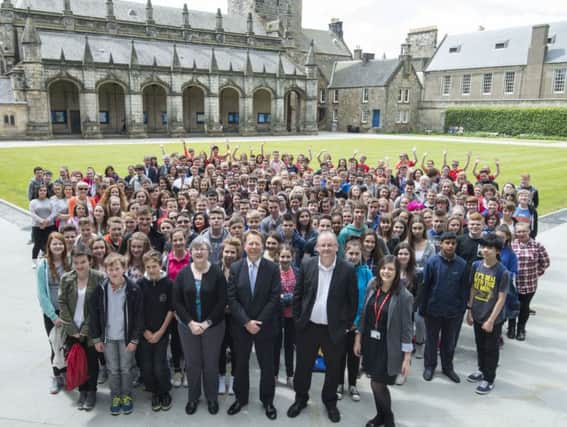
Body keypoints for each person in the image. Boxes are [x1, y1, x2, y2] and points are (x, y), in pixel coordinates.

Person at [287, 231, 358, 423]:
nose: (326, 248)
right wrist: (298, 320)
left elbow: (353, 302)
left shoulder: (347, 270)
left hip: (333, 330)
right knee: (303, 367)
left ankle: (330, 402)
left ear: (337, 247)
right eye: (322, 245)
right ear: (317, 248)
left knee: (334, 368)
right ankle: (300, 399)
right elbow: (298, 295)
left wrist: (345, 325)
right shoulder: (307, 264)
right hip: (308, 327)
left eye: (330, 245)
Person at [226, 230, 281, 420]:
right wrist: (246, 321)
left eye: (257, 243)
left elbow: (274, 298)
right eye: (250, 243)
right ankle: (240, 399)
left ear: (263, 245)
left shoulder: (272, 268)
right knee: (240, 365)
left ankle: (267, 401)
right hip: (241, 326)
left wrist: (258, 322)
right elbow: (231, 298)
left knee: (267, 366)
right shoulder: (235, 267)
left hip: (265, 326)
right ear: (244, 245)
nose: (254, 246)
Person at [354, 256, 413, 427]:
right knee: (374, 382)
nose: (386, 272)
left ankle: (388, 419)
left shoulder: (404, 296)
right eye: (383, 268)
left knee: (378, 383)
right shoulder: (373, 286)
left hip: (389, 347)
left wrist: (407, 358)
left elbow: (407, 328)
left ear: (397, 273)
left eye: (391, 269)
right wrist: (358, 338)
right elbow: (364, 314)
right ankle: (381, 416)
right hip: (371, 343)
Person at [174, 236, 227, 416]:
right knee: (192, 363)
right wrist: (190, 322)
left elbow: (222, 302)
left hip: (213, 327)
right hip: (187, 327)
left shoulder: (217, 273)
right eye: (195, 248)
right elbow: (177, 301)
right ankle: (193, 398)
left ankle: (211, 398)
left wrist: (206, 323)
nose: (198, 251)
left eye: (202, 248)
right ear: (191, 252)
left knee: (211, 364)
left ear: (209, 252)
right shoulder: (183, 274)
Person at [89, 253, 144, 416]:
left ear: (124, 269)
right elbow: (93, 315)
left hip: (126, 338)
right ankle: (115, 397)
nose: (114, 272)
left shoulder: (133, 289)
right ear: (106, 270)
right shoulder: (100, 290)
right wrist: (96, 338)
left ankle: (126, 396)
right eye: (110, 269)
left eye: (117, 269)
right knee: (113, 369)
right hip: (108, 338)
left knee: (126, 368)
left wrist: (135, 339)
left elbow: (139, 316)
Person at [58, 245, 105, 410]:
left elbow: (100, 306)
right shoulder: (66, 278)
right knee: (77, 361)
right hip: (72, 328)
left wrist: (84, 330)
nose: (79, 266)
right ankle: (82, 390)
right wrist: (71, 327)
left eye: (83, 262)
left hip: (90, 329)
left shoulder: (99, 277)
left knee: (91, 362)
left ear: (89, 261)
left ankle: (91, 391)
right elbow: (62, 302)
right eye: (76, 262)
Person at [420, 231, 468, 383]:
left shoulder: (462, 264)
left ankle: (448, 368)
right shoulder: (432, 262)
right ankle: (429, 366)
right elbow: (425, 286)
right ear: (441, 244)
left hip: (453, 312)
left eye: (453, 243)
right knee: (431, 340)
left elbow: (464, 288)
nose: (450, 246)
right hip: (433, 309)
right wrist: (423, 307)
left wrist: (462, 309)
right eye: (447, 243)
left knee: (449, 342)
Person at [465, 234, 509, 395]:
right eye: (483, 247)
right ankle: (481, 370)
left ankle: (489, 379)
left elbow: (501, 298)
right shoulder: (476, 265)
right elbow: (473, 288)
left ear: (497, 251)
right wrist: (469, 310)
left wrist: (491, 320)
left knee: (491, 349)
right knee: (480, 345)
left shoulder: (502, 272)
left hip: (493, 319)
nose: (485, 250)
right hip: (477, 313)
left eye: (489, 248)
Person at [139, 250, 174, 412]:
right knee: (147, 365)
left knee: (160, 365)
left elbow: (170, 310)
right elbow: (137, 311)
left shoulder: (168, 284)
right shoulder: (140, 284)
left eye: (154, 266)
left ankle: (164, 391)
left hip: (162, 331)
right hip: (145, 332)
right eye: (148, 267)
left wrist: (161, 332)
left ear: (160, 265)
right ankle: (154, 391)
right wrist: (145, 331)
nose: (152, 270)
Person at [338, 239, 373, 402]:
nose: (353, 257)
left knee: (354, 355)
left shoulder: (367, 273)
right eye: (350, 253)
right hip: (341, 322)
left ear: (361, 255)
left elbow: (367, 300)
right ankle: (338, 383)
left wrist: (357, 321)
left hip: (358, 322)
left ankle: (352, 384)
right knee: (339, 355)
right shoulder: (338, 271)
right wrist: (344, 321)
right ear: (345, 254)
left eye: (356, 254)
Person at [36, 232, 70, 394]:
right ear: (49, 246)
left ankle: (67, 374)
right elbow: (42, 294)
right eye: (54, 244)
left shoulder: (69, 262)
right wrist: (53, 316)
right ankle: (57, 378)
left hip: (68, 312)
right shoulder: (43, 265)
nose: (58, 246)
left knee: (68, 344)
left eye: (60, 243)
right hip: (52, 313)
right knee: (54, 344)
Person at [510, 223, 550, 341]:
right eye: (518, 232)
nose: (521, 234)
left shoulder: (537, 246)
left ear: (529, 232)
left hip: (529, 283)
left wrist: (536, 272)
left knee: (524, 307)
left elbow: (546, 262)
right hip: (513, 283)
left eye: (524, 231)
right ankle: (511, 327)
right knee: (512, 305)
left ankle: (521, 329)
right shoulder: (511, 245)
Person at [273, 244, 298, 387]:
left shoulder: (298, 272)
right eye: (282, 256)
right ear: (277, 257)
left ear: (292, 257)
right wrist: (286, 298)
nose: (285, 259)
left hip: (292, 316)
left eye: (288, 256)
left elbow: (300, 292)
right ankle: (274, 374)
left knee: (289, 346)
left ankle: (290, 375)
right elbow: (272, 293)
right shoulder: (272, 272)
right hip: (277, 315)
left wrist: (287, 298)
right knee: (276, 346)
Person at [30, 184, 57, 268]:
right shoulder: (33, 202)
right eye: (41, 190)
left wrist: (47, 221)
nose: (43, 192)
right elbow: (32, 213)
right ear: (37, 191)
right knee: (37, 244)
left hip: (49, 226)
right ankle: (34, 261)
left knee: (48, 243)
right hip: (37, 226)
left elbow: (54, 212)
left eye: (44, 190)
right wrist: (41, 221)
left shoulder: (50, 201)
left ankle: (49, 259)